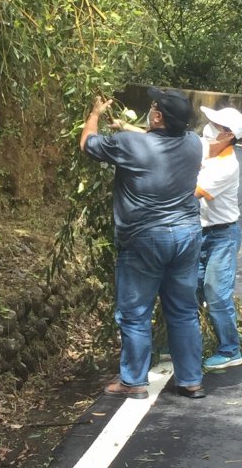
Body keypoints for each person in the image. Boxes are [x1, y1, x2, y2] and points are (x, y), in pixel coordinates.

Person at [80, 88, 205, 399]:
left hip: (145, 239)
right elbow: (156, 139)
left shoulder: (131, 145)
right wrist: (126, 128)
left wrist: (95, 114)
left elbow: (87, 144)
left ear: (158, 117)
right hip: (187, 236)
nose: (149, 110)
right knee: (184, 310)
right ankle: (191, 380)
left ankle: (133, 381)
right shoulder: (193, 144)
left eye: (153, 107)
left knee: (135, 312)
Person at [195, 105, 242, 370]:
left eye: (216, 124)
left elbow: (193, 192)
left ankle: (230, 350)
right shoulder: (208, 147)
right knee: (189, 289)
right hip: (199, 232)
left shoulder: (227, 165)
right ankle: (186, 344)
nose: (209, 126)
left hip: (222, 235)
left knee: (216, 293)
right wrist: (125, 128)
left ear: (228, 135)